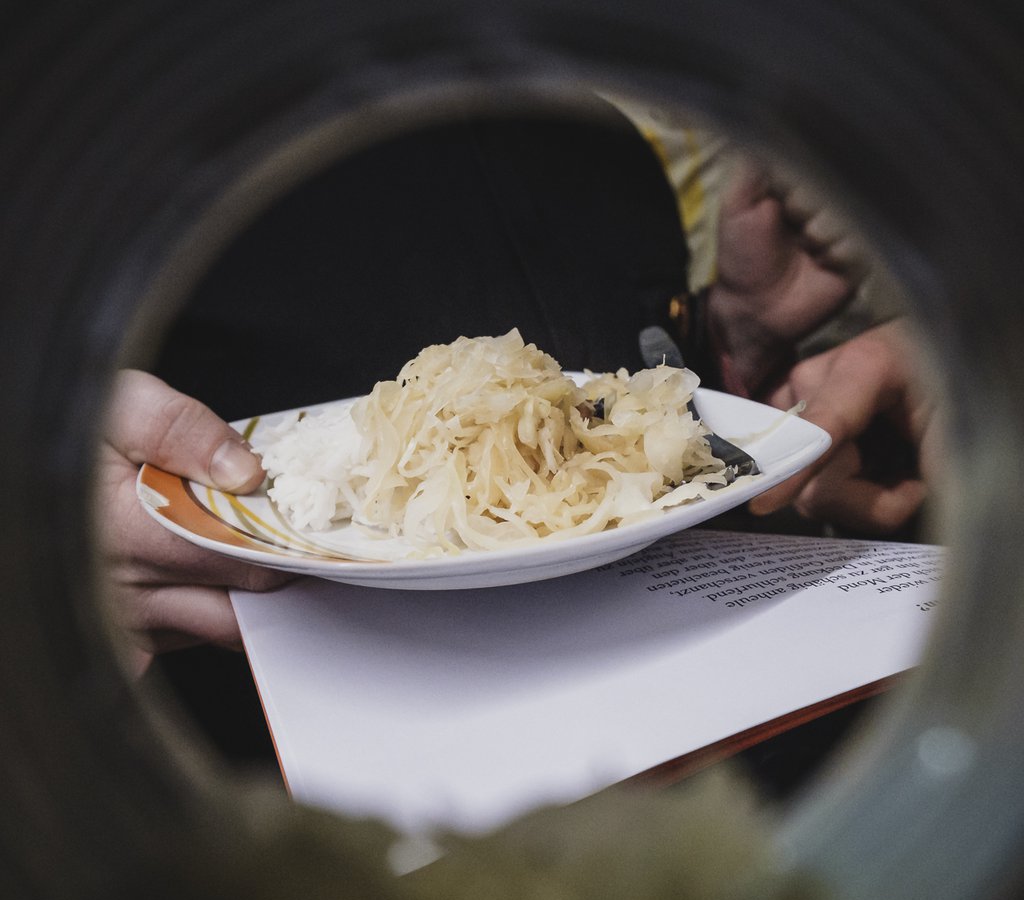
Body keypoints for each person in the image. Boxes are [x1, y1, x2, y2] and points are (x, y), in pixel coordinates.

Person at [97, 100, 934, 688]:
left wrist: (734, 335)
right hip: (315, 696)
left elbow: (608, 386)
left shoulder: (581, 98)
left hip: (723, 651)